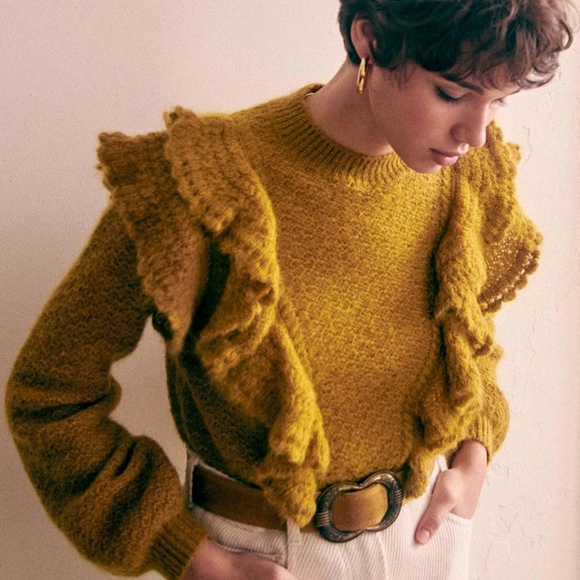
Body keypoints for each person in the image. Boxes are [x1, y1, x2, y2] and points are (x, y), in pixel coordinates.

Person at [5, 0, 574, 579]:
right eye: (451, 94)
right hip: (257, 557)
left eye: (498, 101)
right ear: (370, 40)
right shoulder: (198, 185)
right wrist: (190, 556)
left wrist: (475, 449)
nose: (475, 134)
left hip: (426, 540)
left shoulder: (469, 177)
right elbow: (48, 397)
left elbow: (467, 332)